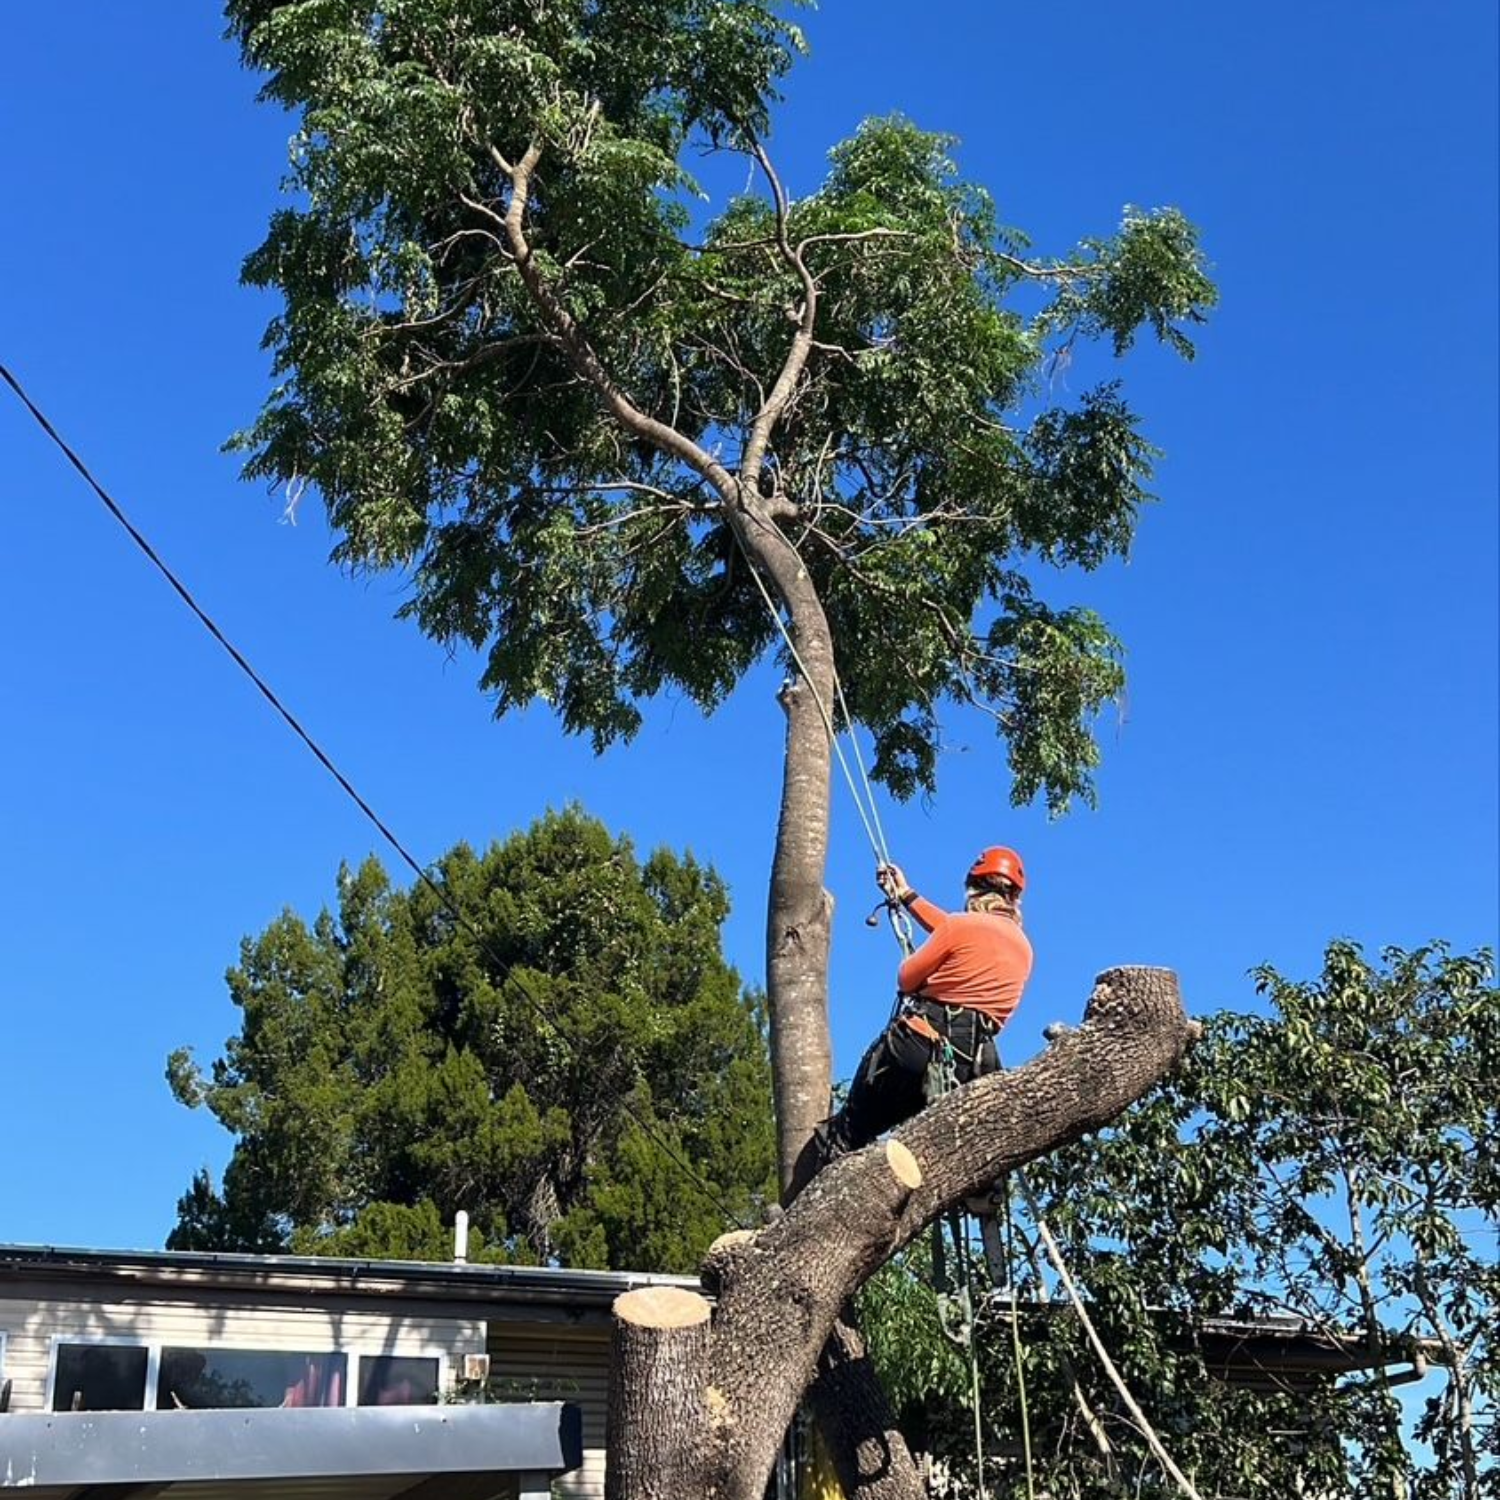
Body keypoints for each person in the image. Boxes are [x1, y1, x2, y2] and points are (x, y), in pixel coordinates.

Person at [788, 846, 1034, 1198]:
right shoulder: (1023, 949)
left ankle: (803, 1206)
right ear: (1014, 898)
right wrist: (906, 895)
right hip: (965, 1067)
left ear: (974, 891)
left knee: (847, 1132)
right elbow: (958, 932)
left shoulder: (960, 926)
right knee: (912, 1148)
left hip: (914, 1047)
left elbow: (906, 977)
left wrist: (932, 977)